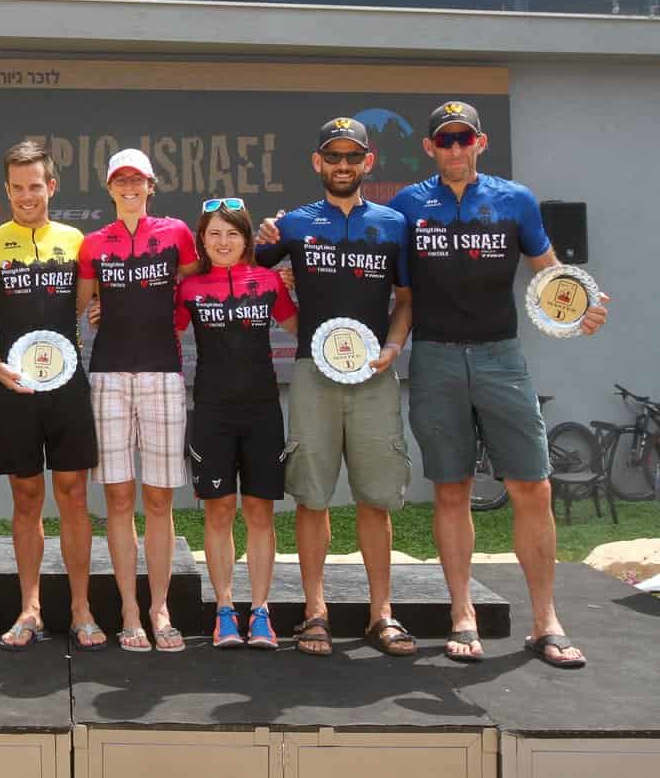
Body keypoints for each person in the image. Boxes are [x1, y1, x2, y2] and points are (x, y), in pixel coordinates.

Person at [390, 101, 608, 668]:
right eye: (445, 140)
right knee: (452, 488)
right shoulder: (407, 205)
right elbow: (392, 286)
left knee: (533, 486)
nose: (455, 148)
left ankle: (545, 621)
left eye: (464, 138)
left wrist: (579, 307)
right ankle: (462, 614)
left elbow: (549, 272)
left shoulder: (516, 199)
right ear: (429, 148)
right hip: (435, 357)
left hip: (501, 357)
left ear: (480, 143)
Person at [255, 117, 416, 658]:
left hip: (374, 375)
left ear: (369, 162)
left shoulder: (393, 224)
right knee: (312, 496)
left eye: (352, 156)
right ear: (317, 162)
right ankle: (315, 612)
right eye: (333, 156)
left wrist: (393, 347)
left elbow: (406, 299)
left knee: (376, 497)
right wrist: (264, 238)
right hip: (313, 374)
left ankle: (381, 613)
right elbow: (247, 272)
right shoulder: (295, 224)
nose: (343, 165)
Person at [0, 140, 105, 652]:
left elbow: (92, 303)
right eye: (17, 188)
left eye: (35, 186)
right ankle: (30, 609)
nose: (27, 196)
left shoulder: (76, 241)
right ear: (7, 191)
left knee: (73, 495)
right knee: (26, 499)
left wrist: (99, 310)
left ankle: (81, 609)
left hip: (67, 387)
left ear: (52, 186)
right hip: (15, 389)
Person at [76, 149, 196, 653]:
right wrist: (92, 312)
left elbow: (200, 286)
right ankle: (129, 609)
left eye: (137, 180)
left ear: (151, 185)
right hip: (108, 376)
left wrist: (177, 320)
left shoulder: (177, 233)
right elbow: (79, 304)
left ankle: (159, 607)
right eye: (120, 180)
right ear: (109, 188)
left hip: (163, 374)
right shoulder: (92, 243)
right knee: (119, 499)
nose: (129, 187)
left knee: (159, 499)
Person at [176, 199, 297, 649]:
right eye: (214, 234)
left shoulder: (268, 281)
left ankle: (261, 611)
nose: (223, 242)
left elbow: (302, 328)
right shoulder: (189, 288)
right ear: (201, 241)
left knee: (260, 511)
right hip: (212, 412)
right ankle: (225, 610)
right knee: (220, 510)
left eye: (232, 233)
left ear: (247, 239)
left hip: (263, 410)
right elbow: (159, 329)